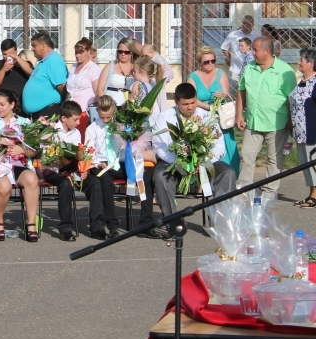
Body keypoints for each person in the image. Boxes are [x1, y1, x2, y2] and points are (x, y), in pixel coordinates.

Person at [153, 83, 236, 237]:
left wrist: (203, 162)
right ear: (176, 102)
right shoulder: (164, 118)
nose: (190, 107)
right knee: (160, 175)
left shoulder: (207, 117)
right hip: (174, 162)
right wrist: (180, 161)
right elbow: (160, 147)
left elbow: (219, 147)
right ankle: (172, 222)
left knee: (228, 172)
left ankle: (220, 222)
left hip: (205, 161)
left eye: (193, 103)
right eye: (185, 104)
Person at [91, 95, 160, 239]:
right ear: (97, 111)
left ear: (114, 111)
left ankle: (145, 223)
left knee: (145, 175)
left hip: (123, 162)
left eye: (109, 116)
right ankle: (112, 224)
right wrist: (98, 162)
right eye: (102, 117)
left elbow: (129, 146)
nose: (105, 120)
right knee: (104, 180)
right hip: (104, 165)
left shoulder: (122, 124)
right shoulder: (93, 129)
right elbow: (89, 152)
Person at [236, 37, 297, 198]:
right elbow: (241, 90)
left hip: (276, 124)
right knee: (247, 156)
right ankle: (243, 190)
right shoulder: (249, 67)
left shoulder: (285, 71)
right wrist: (239, 114)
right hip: (253, 121)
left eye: (255, 50)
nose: (252, 53)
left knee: (274, 159)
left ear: (267, 52)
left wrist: (291, 122)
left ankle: (270, 192)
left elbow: (292, 98)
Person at [40, 100, 106, 241]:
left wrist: (82, 169)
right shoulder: (50, 131)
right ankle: (65, 227)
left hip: (71, 170)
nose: (78, 123)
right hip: (53, 170)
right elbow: (47, 158)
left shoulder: (76, 133)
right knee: (65, 184)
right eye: (75, 119)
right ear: (64, 118)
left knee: (94, 183)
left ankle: (97, 226)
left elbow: (77, 155)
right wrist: (67, 172)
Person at [0, 89, 43, 242]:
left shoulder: (25, 123)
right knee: (3, 186)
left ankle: (31, 224)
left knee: (32, 180)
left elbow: (34, 150)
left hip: (18, 163)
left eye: (2, 104)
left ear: (12, 105)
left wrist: (21, 149)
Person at [186, 46, 239, 172]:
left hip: (220, 116)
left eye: (213, 61)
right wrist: (207, 107)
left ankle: (228, 175)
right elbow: (190, 98)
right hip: (201, 115)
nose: (210, 64)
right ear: (200, 63)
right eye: (206, 62)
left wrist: (222, 95)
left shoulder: (221, 74)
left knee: (225, 144)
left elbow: (226, 92)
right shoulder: (193, 77)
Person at [289, 48, 316, 207]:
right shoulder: (302, 82)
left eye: (302, 60)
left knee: (313, 164)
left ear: (311, 64)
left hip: (312, 132)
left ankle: (315, 196)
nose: (299, 62)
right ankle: (311, 194)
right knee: (306, 164)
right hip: (300, 133)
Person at [22, 32, 68, 118]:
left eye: (34, 45)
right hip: (41, 113)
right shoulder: (44, 61)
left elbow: (62, 87)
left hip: (48, 112)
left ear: (43, 45)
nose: (32, 49)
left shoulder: (53, 61)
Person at [65, 38, 101, 138]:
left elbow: (97, 91)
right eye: (76, 53)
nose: (77, 55)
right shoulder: (73, 67)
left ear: (88, 52)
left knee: (81, 138)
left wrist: (94, 113)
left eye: (81, 53)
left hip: (84, 112)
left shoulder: (93, 68)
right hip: (70, 110)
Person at [0, 39, 34, 115]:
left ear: (16, 51)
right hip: (2, 108)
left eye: (11, 53)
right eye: (5, 54)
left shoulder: (23, 64)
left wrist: (17, 58)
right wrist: (3, 70)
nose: (8, 57)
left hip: (21, 107)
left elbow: (32, 72)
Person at [96, 37, 141, 107]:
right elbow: (99, 90)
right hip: (110, 106)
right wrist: (106, 105)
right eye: (120, 51)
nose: (123, 54)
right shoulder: (110, 66)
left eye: (126, 52)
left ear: (132, 52)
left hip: (129, 107)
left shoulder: (137, 68)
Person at [221, 15, 260, 95]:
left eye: (248, 24)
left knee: (249, 94)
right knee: (231, 94)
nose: (245, 25)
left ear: (252, 24)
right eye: (244, 23)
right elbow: (224, 48)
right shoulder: (233, 35)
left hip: (251, 71)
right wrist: (229, 58)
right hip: (235, 71)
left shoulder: (257, 36)